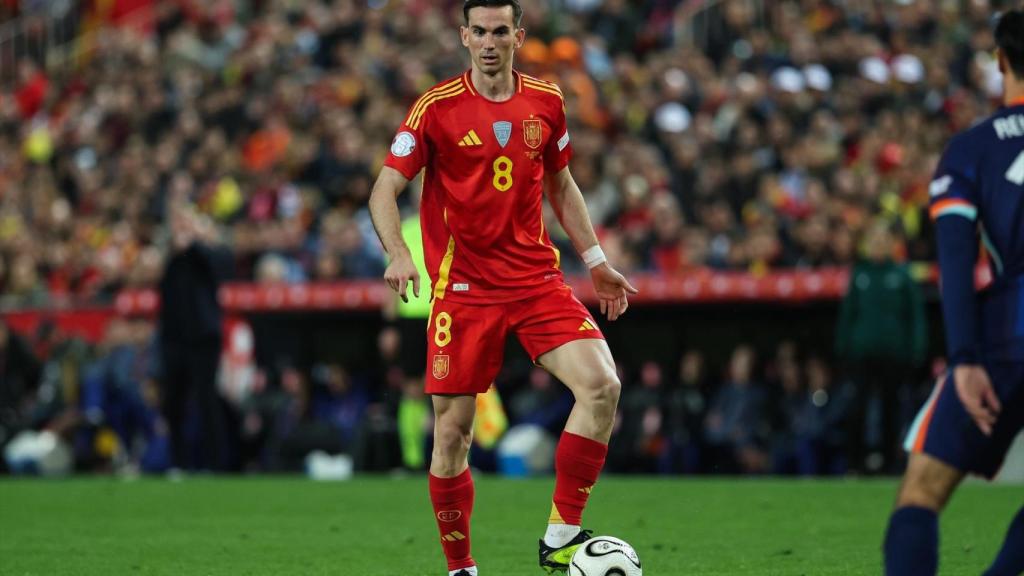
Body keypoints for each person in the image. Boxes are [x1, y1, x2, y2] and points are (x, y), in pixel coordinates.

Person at [368, 2, 637, 574]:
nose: (490, 42)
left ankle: (560, 538)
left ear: (518, 35)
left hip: (536, 280)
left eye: (500, 32)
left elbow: (562, 185)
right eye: (479, 32)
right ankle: (462, 568)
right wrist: (398, 253)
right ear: (464, 36)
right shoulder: (435, 109)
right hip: (463, 289)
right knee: (451, 437)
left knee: (602, 387)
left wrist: (595, 260)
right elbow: (383, 190)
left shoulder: (547, 100)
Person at [884, 10, 1024, 576]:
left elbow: (956, 261)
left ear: (1000, 60)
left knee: (922, 491)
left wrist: (964, 357)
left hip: (1007, 334)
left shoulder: (972, 149)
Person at [158, 204, 234, 472]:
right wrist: (174, 250)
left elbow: (222, 268)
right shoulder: (171, 257)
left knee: (207, 401)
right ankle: (177, 462)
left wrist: (195, 243)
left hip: (203, 338)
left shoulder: (206, 252)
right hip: (174, 338)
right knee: (174, 404)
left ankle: (216, 463)